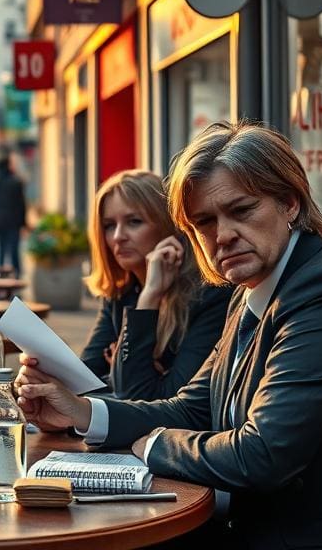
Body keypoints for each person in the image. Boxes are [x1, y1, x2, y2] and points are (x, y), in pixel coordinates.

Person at [16, 121, 322, 549]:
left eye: (241, 210)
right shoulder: (250, 290)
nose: (222, 236)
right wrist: (81, 412)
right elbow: (193, 409)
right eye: (204, 222)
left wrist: (153, 443)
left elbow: (262, 455)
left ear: (290, 203)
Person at [79, 169, 230, 400]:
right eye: (109, 225)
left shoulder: (208, 294)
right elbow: (80, 382)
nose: (118, 236)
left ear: (167, 226)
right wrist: (118, 377)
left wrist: (149, 298)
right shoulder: (121, 292)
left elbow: (164, 399)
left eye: (134, 222)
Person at [0, 154, 27, 278]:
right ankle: (16, 273)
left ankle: (0, 273)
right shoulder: (16, 182)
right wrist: (23, 223)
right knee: (14, 249)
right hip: (14, 221)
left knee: (1, 247)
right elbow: (21, 205)